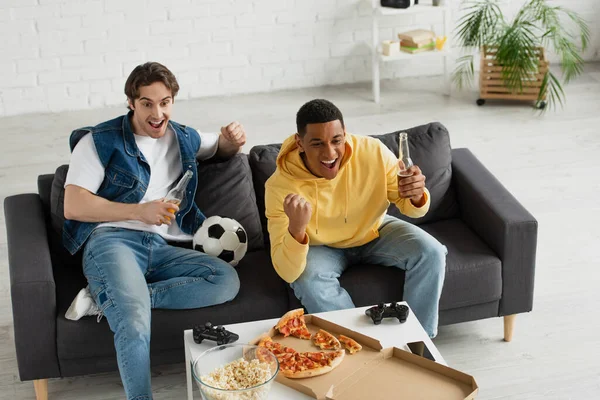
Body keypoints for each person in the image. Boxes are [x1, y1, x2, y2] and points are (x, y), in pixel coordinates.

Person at [62, 62, 245, 400]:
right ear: (131, 103)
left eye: (165, 102)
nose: (157, 112)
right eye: (147, 103)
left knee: (225, 280)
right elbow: (73, 205)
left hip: (162, 246)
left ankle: (106, 300)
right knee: (133, 322)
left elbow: (219, 147)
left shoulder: (183, 136)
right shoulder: (98, 141)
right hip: (111, 241)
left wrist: (232, 141)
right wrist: (139, 211)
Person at [265, 99, 447, 338]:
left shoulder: (374, 151)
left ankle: (418, 342)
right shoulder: (280, 186)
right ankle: (361, 345)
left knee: (432, 252)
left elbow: (411, 209)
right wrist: (297, 231)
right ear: (300, 143)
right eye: (317, 143)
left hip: (373, 229)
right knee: (308, 279)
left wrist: (416, 196)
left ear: (344, 133)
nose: (330, 153)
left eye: (336, 140)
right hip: (320, 245)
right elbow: (287, 271)